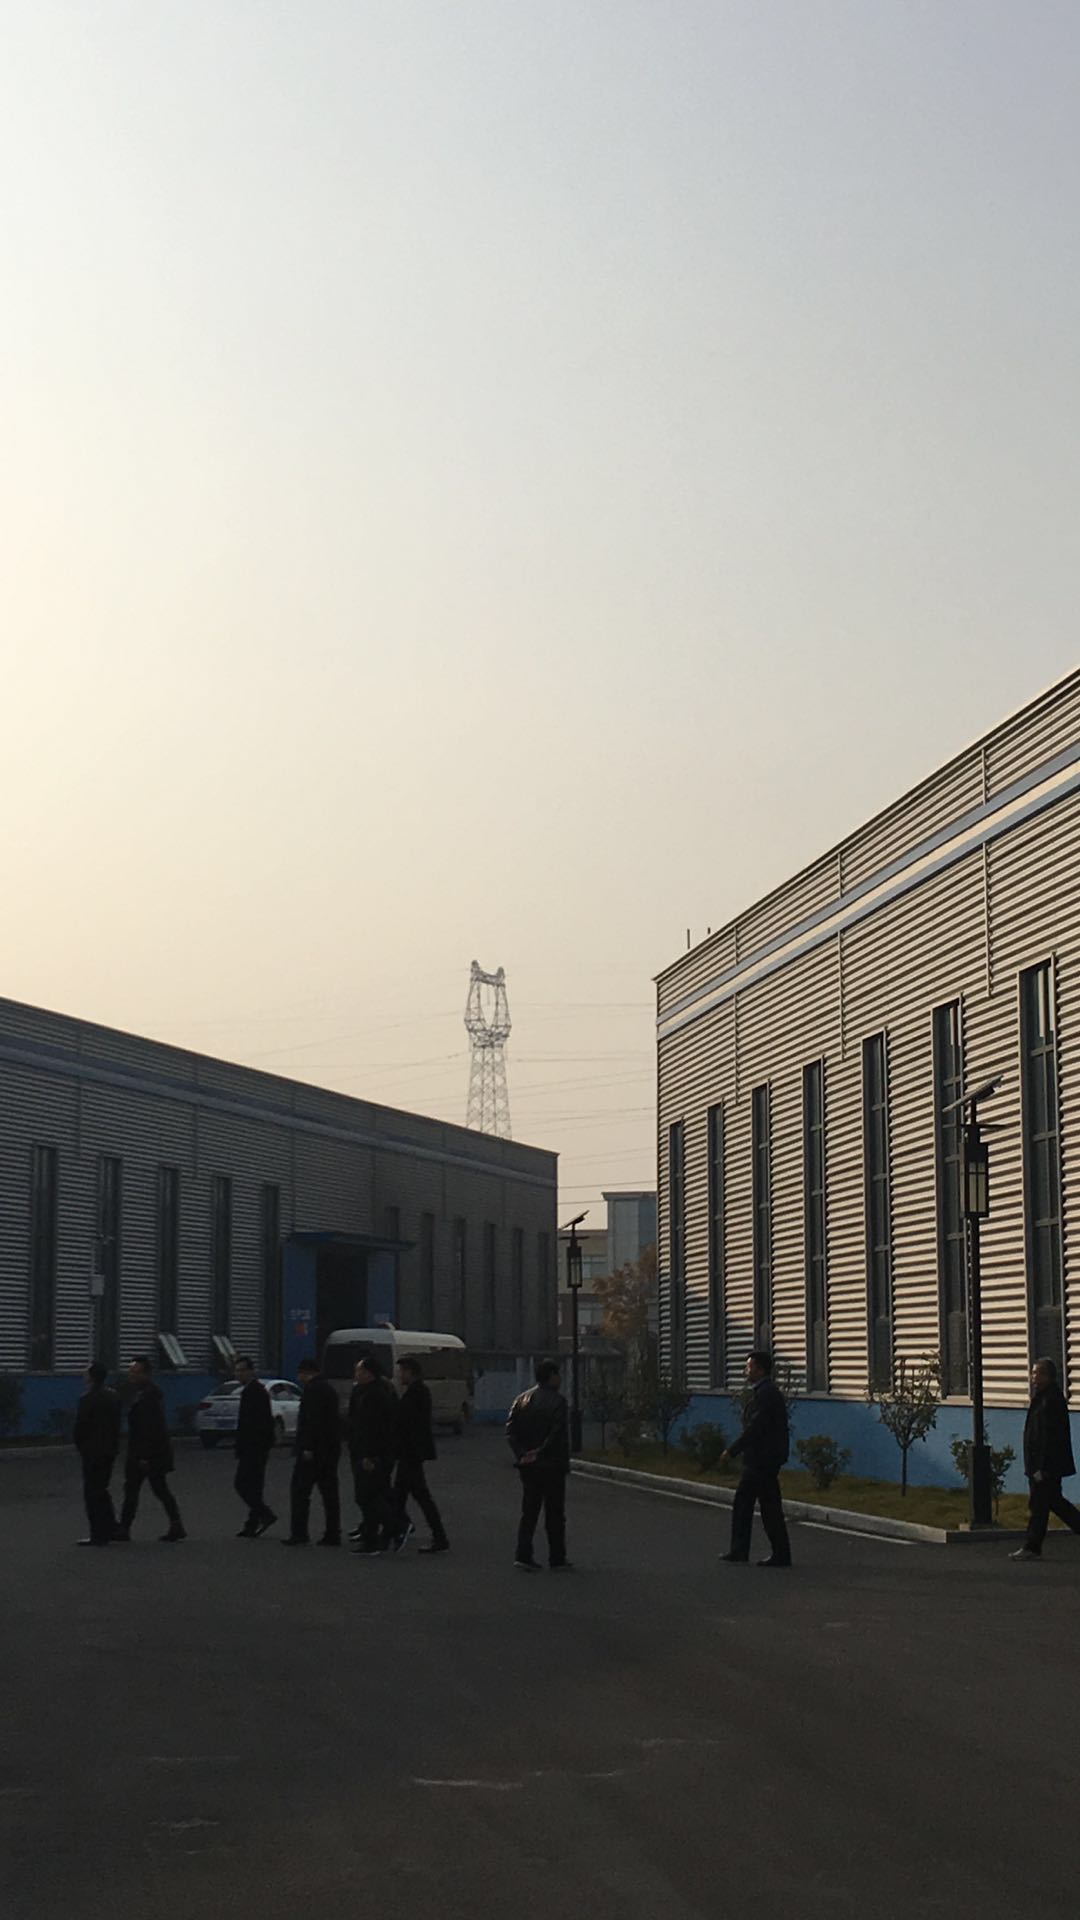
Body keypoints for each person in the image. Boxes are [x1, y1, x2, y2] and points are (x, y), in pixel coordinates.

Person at [720, 1351, 792, 1568]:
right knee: (755, 1505)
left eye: (749, 1367)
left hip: (762, 1460)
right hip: (761, 1459)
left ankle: (773, 1553)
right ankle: (745, 1550)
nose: (746, 1371)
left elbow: (756, 1428)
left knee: (761, 1506)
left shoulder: (766, 1395)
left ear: (760, 1370)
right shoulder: (763, 1392)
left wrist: (732, 1450)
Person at [1011, 1356, 1080, 1561]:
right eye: (1033, 1373)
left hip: (1045, 1466)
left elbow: (1049, 1437)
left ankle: (1032, 1547)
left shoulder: (1052, 1400)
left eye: (1037, 1373)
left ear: (1047, 1376)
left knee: (1039, 1506)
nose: (1033, 1377)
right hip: (1040, 1465)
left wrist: (1041, 1467)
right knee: (1054, 1503)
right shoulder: (1042, 1398)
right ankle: (1032, 1547)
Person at [506, 1358, 570, 1570]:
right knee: (555, 1513)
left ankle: (523, 1554)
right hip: (552, 1465)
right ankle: (557, 1557)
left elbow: (511, 1431)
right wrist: (541, 1451)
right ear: (552, 1377)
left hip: (528, 1466)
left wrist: (522, 1453)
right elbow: (557, 1433)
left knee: (529, 1511)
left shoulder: (521, 1400)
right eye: (557, 1374)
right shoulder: (558, 1402)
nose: (560, 1379)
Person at [115, 1356, 187, 1543]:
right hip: (145, 1451)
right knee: (148, 1488)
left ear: (147, 1374)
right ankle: (174, 1524)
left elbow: (150, 1428)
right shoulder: (142, 1394)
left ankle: (126, 1528)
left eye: (136, 1372)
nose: (132, 1375)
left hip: (147, 1453)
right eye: (131, 1372)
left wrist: (145, 1456)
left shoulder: (149, 1396)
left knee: (145, 1489)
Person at [394, 1356, 450, 1554]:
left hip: (411, 1452)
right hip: (411, 1452)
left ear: (411, 1372)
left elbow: (410, 1423)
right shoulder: (416, 1391)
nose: (400, 1375)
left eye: (402, 1371)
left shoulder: (417, 1392)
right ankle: (398, 1528)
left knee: (419, 1495)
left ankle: (437, 1536)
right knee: (402, 1495)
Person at [347, 1355, 403, 1556]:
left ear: (369, 1373)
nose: (356, 1374)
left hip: (372, 1455)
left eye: (360, 1370)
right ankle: (374, 1536)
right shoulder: (363, 1392)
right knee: (370, 1495)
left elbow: (373, 1428)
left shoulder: (375, 1395)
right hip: (364, 1451)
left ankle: (393, 1527)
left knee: (367, 1495)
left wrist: (369, 1455)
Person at [284, 1357, 342, 1546]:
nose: (299, 1377)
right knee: (329, 1493)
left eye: (300, 1373)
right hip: (330, 1449)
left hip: (313, 1451)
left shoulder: (313, 1390)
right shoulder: (328, 1389)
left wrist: (307, 1446)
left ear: (306, 1372)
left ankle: (299, 1533)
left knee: (300, 1492)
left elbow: (312, 1421)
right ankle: (333, 1532)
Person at [73, 1362, 122, 1546]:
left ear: (91, 1377)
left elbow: (81, 1426)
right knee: (102, 1489)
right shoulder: (113, 1397)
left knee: (92, 1493)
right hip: (109, 1450)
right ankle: (110, 1527)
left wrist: (80, 1445)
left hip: (92, 1451)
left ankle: (98, 1534)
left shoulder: (87, 1399)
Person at [233, 1356, 277, 1538]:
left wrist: (246, 1445)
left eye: (242, 1370)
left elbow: (255, 1423)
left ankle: (265, 1514)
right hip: (257, 1446)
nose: (239, 1374)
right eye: (237, 1370)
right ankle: (252, 1524)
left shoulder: (254, 1391)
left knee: (241, 1484)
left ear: (251, 1371)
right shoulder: (252, 1390)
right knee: (254, 1486)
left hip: (254, 1447)